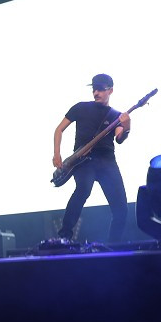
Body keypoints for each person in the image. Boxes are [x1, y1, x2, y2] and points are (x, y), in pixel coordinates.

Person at [52, 73, 132, 243]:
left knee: (121, 209)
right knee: (83, 189)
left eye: (101, 89)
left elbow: (119, 139)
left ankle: (113, 244)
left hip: (107, 162)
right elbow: (59, 129)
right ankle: (64, 236)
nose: (96, 93)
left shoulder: (115, 115)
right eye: (94, 89)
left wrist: (126, 126)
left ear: (110, 90)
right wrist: (56, 153)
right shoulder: (80, 108)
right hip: (82, 161)